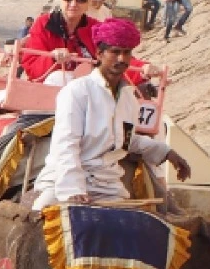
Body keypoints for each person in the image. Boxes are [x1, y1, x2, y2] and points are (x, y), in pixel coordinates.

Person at [31, 19, 191, 210]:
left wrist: (166, 152)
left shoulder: (129, 99)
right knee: (40, 221)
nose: (122, 59)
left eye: (127, 52)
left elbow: (126, 142)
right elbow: (66, 143)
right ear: (99, 54)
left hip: (108, 186)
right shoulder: (76, 92)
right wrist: (73, 189)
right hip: (63, 183)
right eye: (115, 52)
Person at [20, 0, 98, 82]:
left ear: (88, 3)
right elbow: (31, 66)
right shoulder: (44, 23)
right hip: (47, 88)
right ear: (60, 0)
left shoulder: (96, 28)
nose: (74, 4)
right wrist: (52, 57)